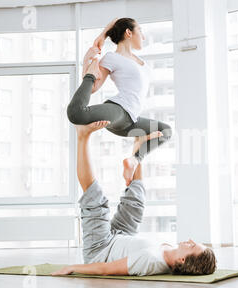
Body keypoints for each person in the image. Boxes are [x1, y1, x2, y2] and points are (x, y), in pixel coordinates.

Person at [51, 121, 217, 277]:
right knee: (137, 201)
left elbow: (105, 269)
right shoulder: (171, 250)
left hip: (101, 249)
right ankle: (137, 148)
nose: (190, 240)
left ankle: (82, 135)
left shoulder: (151, 261)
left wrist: (72, 268)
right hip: (122, 235)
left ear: (182, 260)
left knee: (96, 199)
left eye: (193, 246)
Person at [66, 17, 172, 186]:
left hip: (131, 121)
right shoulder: (111, 58)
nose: (143, 37)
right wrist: (90, 60)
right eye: (141, 31)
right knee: (76, 113)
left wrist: (103, 35)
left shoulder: (141, 62)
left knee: (166, 131)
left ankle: (134, 160)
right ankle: (83, 131)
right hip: (118, 110)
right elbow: (93, 88)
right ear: (129, 33)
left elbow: (118, 21)